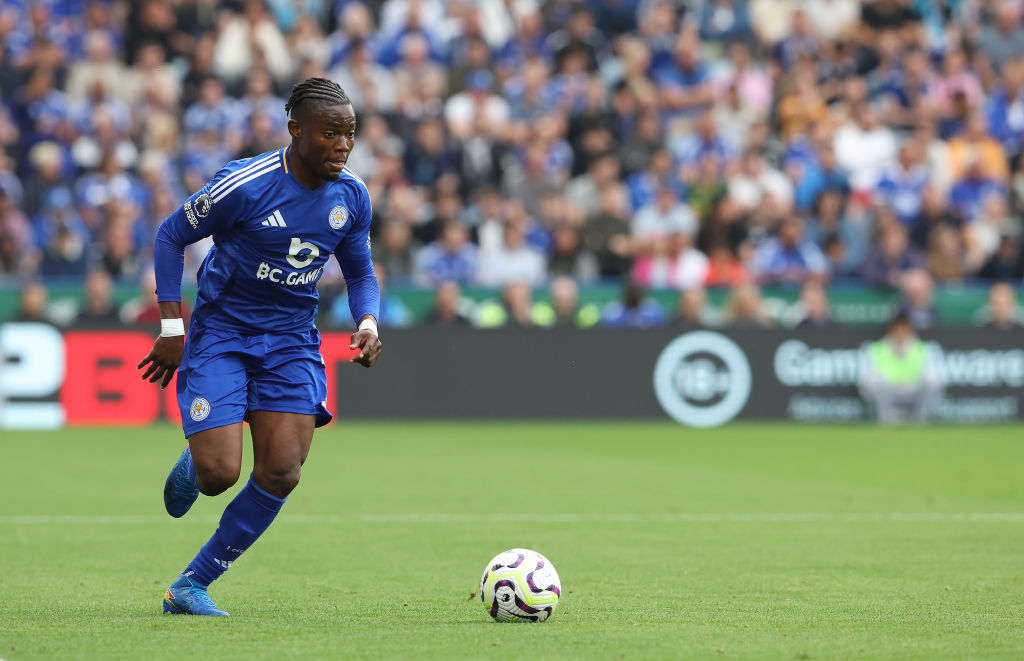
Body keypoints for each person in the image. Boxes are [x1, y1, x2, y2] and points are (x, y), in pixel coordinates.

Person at [136, 78, 382, 617]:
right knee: (219, 475)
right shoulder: (245, 184)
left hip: (292, 339)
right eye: (331, 133)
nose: (343, 145)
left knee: (282, 471)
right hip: (223, 331)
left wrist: (368, 320)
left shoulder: (352, 195)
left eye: (350, 134)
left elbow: (361, 269)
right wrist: (173, 328)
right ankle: (198, 460)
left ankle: (190, 585)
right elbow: (170, 235)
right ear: (296, 131)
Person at [858, 312, 944, 424]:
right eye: (897, 329)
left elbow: (934, 379)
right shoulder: (875, 349)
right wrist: (892, 384)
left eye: (904, 329)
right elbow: (866, 382)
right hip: (888, 391)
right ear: (890, 330)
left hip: (914, 391)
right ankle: (886, 420)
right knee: (877, 386)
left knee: (932, 385)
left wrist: (910, 384)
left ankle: (920, 421)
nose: (900, 333)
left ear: (910, 330)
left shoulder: (924, 349)